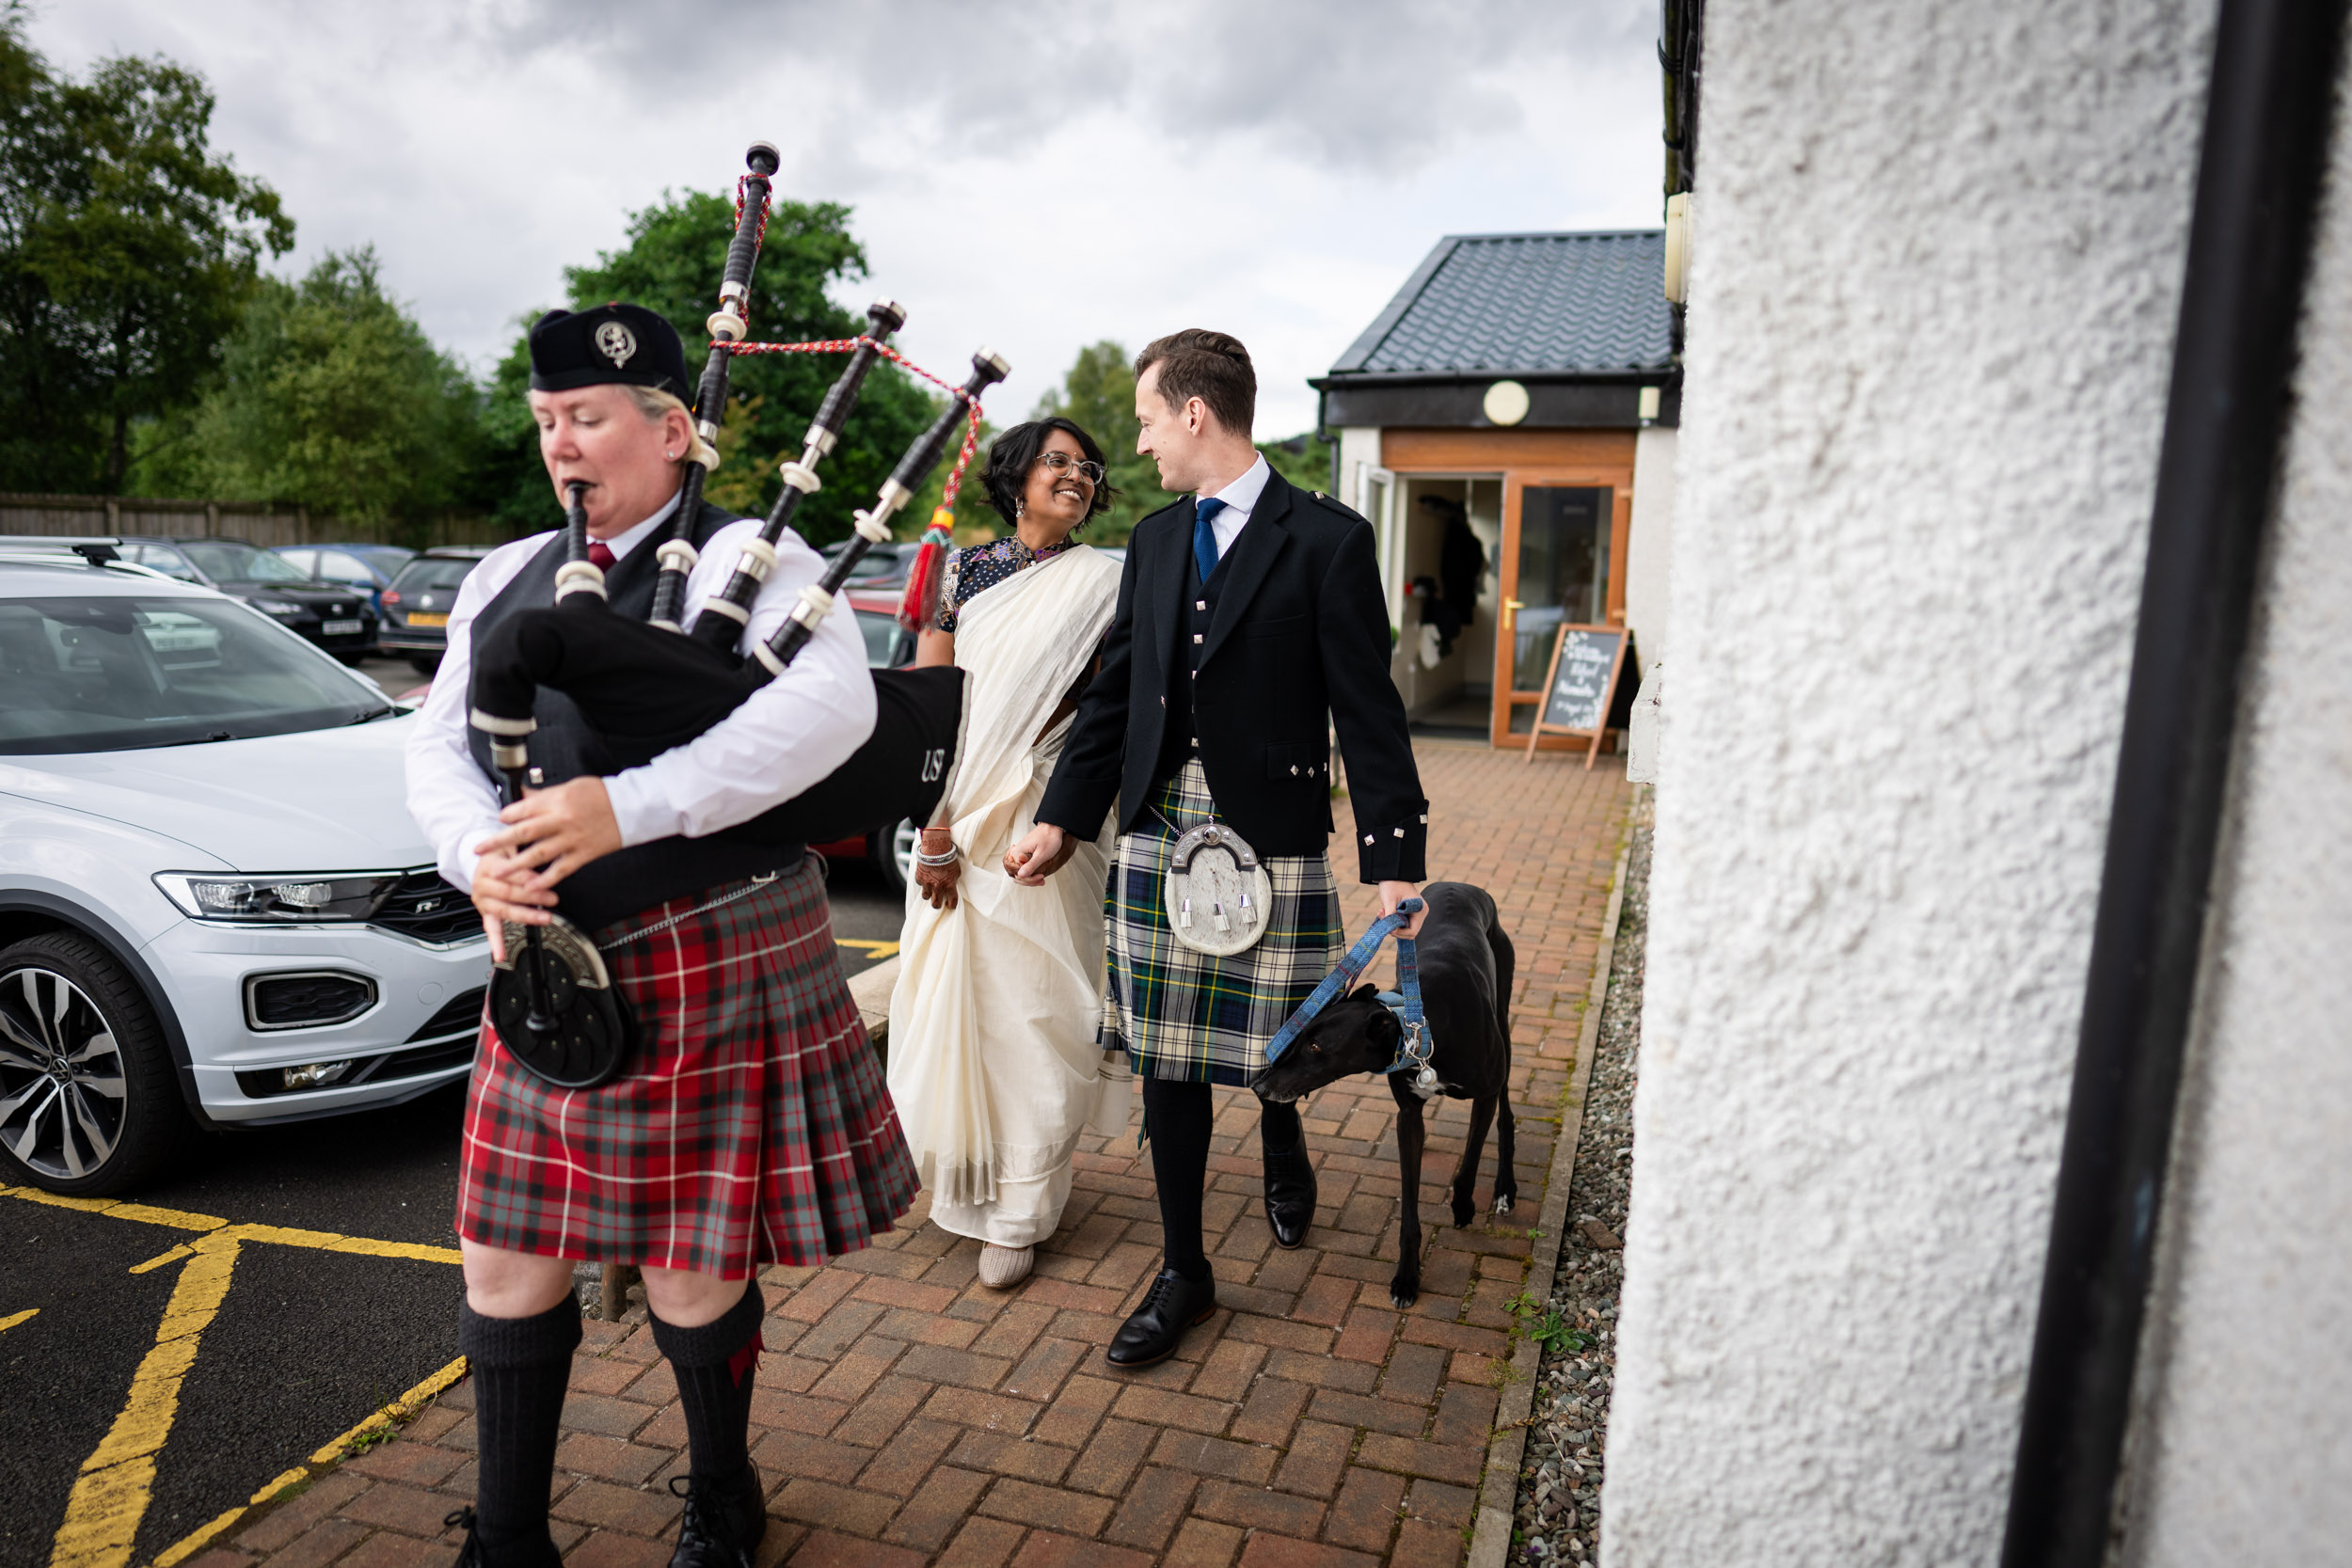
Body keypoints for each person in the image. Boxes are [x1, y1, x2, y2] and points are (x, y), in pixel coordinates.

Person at [405, 304, 918, 1568]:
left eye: (585, 419)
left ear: (672, 429)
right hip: (544, 962)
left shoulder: (759, 557)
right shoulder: (503, 573)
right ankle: (512, 1536)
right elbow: (432, 739)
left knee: (694, 1264)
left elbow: (831, 707)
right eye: (544, 424)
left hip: (707, 938)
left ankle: (723, 1492)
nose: (561, 447)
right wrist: (478, 852)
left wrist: (623, 806)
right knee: (503, 1249)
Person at [1005, 329, 1429, 1368]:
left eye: (1148, 420)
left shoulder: (1323, 538)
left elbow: (1365, 708)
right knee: (1165, 1054)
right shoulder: (1153, 541)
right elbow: (1112, 695)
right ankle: (1183, 1267)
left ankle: (1280, 1132)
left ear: (1195, 413)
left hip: (1269, 832)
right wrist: (1063, 813)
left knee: (1273, 1045)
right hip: (1155, 826)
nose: (1140, 444)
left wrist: (1394, 854)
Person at [885, 418, 1129, 1289]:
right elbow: (932, 704)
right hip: (960, 814)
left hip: (1048, 817)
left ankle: (1023, 1205)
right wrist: (938, 827)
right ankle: (964, 1178)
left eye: (1086, 467)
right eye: (1056, 461)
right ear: (1017, 475)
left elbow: (1111, 716)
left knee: (1038, 1010)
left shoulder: (1111, 581)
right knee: (957, 1005)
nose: (1075, 475)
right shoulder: (968, 573)